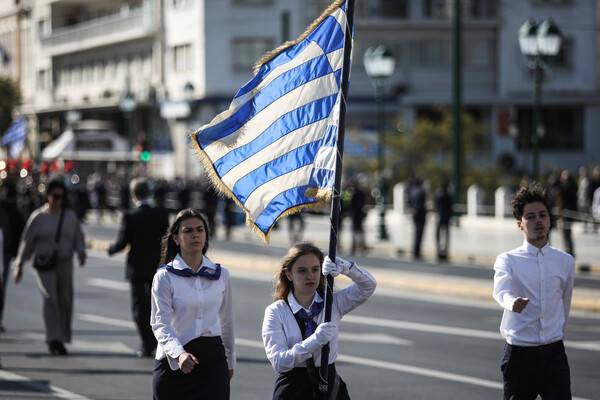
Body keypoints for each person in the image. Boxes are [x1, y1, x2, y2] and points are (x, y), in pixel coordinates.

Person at [262, 242, 376, 399]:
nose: (310, 276)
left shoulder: (333, 303)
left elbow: (368, 286)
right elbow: (279, 362)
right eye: (302, 271)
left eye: (315, 269)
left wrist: (345, 267)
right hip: (294, 388)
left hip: (329, 385)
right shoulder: (276, 311)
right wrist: (314, 341)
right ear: (289, 274)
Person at [493, 183, 574, 399]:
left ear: (549, 219)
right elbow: (500, 291)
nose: (538, 221)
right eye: (530, 217)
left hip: (554, 355)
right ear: (520, 224)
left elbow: (564, 306)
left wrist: (555, 337)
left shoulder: (565, 261)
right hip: (520, 355)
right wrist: (512, 303)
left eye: (542, 215)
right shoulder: (507, 260)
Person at [151, 208, 235, 400]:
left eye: (200, 230)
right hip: (175, 360)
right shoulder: (164, 277)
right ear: (176, 238)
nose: (195, 235)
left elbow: (227, 323)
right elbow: (159, 324)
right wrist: (179, 354)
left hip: (213, 362)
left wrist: (230, 363)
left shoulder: (222, 275)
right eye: (188, 231)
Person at [13, 178, 87, 356]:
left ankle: (62, 336)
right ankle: (54, 338)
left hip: (64, 262)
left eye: (62, 197)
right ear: (47, 196)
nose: (58, 200)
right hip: (44, 262)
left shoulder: (69, 216)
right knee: (50, 298)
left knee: (65, 300)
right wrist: (19, 265)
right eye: (55, 196)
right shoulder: (38, 217)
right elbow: (26, 240)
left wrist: (81, 252)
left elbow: (78, 236)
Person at [107, 178, 170, 358]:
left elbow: (121, 243)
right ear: (149, 193)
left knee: (139, 307)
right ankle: (160, 340)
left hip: (136, 268)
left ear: (133, 195)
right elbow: (166, 241)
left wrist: (109, 249)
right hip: (157, 266)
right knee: (158, 306)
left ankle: (146, 343)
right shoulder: (161, 214)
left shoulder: (130, 215)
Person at [0, 181, 26, 332]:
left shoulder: (9, 207)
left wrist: (21, 254)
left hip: (5, 253)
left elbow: (19, 228)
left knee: (1, 288)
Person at [408, 177, 427, 260]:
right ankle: (417, 252)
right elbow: (421, 205)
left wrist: (412, 210)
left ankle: (415, 251)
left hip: (415, 215)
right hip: (420, 216)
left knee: (416, 233)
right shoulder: (421, 192)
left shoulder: (412, 191)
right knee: (419, 234)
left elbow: (409, 202)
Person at [434, 180, 452, 261]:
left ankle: (439, 251)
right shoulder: (447, 195)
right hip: (445, 217)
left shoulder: (438, 195)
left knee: (439, 236)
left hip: (440, 217)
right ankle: (444, 252)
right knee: (445, 236)